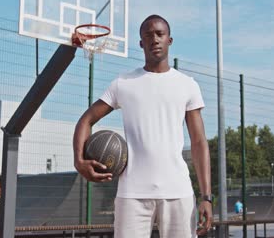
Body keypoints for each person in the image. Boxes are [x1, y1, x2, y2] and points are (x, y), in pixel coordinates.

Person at [73, 14, 212, 238]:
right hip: (132, 193)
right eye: (148, 35)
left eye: (160, 34)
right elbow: (86, 120)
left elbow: (198, 142)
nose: (154, 39)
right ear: (141, 43)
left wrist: (206, 196)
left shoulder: (187, 85)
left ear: (170, 40)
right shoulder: (124, 83)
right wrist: (79, 161)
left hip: (178, 192)